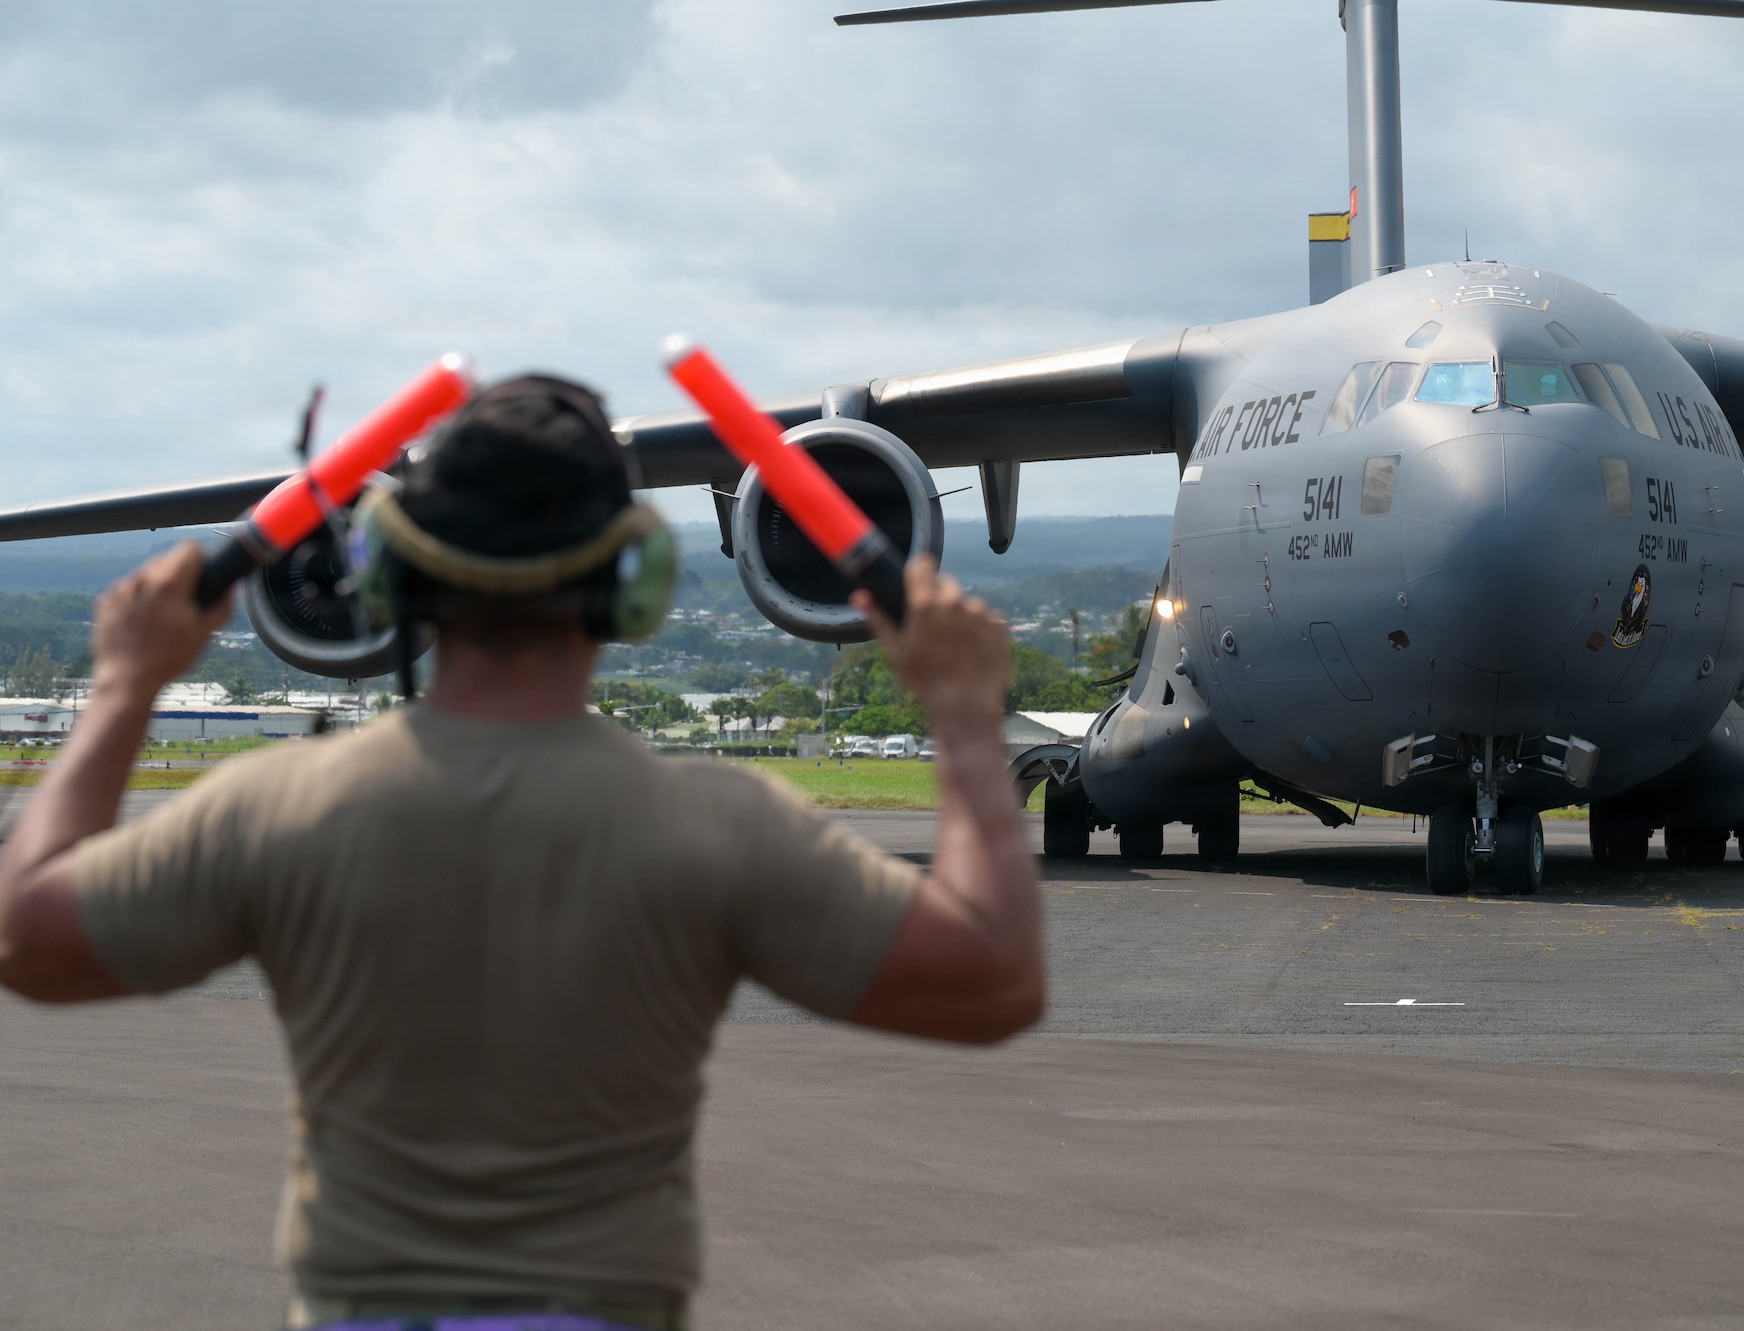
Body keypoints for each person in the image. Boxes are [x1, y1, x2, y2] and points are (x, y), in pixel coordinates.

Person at [0, 376, 1043, 1331]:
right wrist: (958, 709)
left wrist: (127, 684)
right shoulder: (715, 824)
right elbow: (991, 979)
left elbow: (29, 938)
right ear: (636, 577)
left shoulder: (280, 808)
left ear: (388, 568)